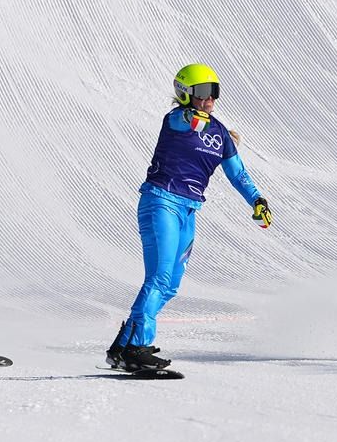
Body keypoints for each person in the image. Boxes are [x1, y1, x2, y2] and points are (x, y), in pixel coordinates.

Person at [107, 63, 272, 371]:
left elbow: (238, 174)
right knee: (158, 278)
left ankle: (123, 346)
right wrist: (196, 119)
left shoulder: (219, 133)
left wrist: (257, 200)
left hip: (189, 210)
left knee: (170, 285)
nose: (209, 99)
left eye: (214, 92)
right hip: (161, 203)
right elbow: (186, 121)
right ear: (185, 93)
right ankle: (137, 348)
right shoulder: (177, 120)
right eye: (202, 93)